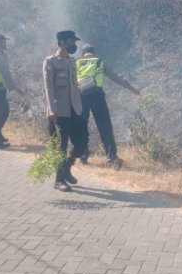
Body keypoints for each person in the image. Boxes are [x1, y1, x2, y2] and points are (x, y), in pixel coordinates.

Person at [75, 44, 141, 167]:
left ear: (83, 52)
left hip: (80, 97)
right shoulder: (99, 61)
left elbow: (71, 81)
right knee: (105, 126)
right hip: (97, 95)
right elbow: (116, 77)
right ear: (94, 52)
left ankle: (83, 154)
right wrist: (132, 89)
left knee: (81, 127)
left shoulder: (77, 62)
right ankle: (111, 156)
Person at [43, 31, 88, 192]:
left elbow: (75, 86)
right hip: (59, 111)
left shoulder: (72, 61)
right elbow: (48, 87)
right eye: (71, 41)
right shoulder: (51, 62)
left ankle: (67, 167)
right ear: (62, 42)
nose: (74, 44)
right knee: (60, 147)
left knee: (82, 143)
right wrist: (52, 109)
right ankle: (59, 179)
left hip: (75, 109)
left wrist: (80, 107)